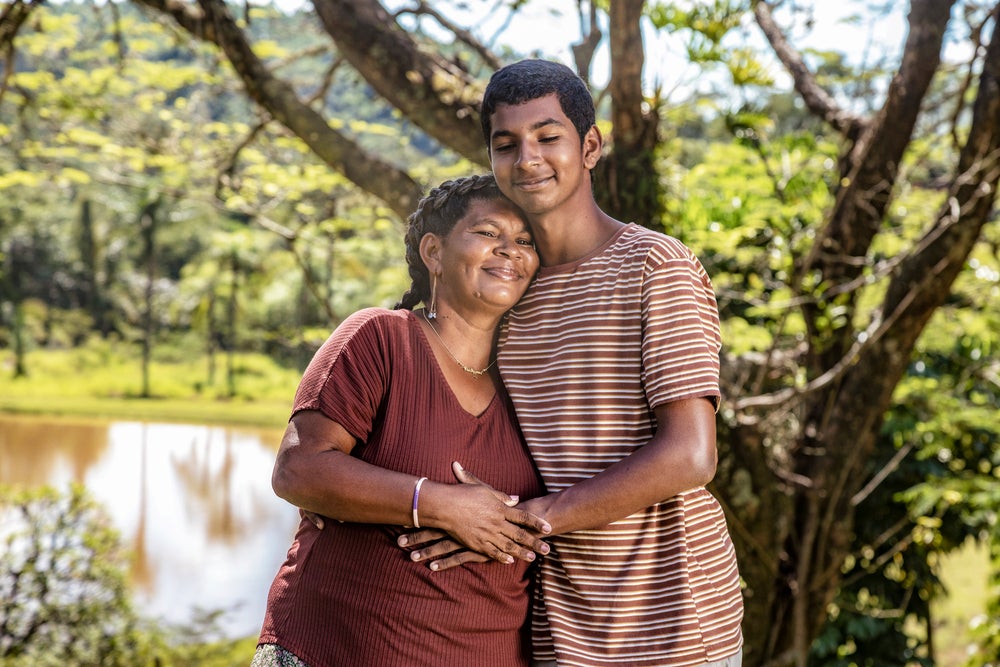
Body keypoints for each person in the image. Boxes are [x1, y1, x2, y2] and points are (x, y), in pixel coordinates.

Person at [406, 59, 745, 666]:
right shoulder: (510, 289)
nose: (527, 159)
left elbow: (691, 455)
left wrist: (528, 519)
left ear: (590, 145)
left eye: (548, 136)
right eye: (506, 144)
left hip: (669, 617)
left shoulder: (653, 266)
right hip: (559, 618)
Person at [252, 174, 552, 667]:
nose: (509, 250)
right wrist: (437, 505)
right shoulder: (381, 338)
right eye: (488, 233)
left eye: (524, 241)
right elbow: (298, 469)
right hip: (333, 649)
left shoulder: (533, 385)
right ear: (433, 252)